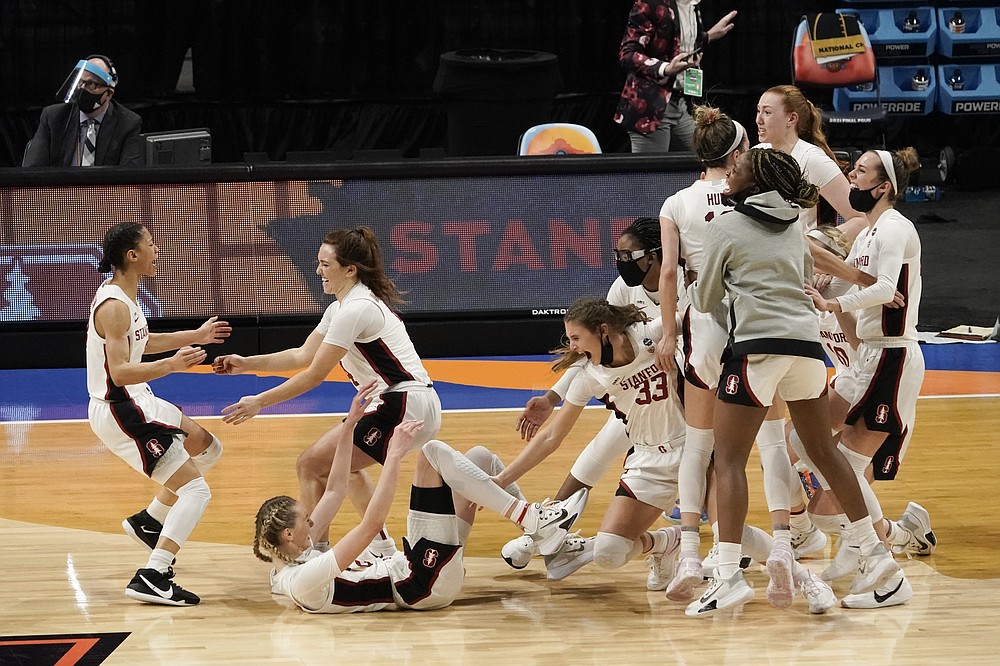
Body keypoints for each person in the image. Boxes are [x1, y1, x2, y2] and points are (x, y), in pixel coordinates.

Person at [684, 147, 900, 617]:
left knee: (728, 461)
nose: (729, 170)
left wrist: (709, 281)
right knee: (823, 452)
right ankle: (880, 560)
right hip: (806, 350)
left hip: (757, 350)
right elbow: (806, 283)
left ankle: (726, 576)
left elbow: (704, 300)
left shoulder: (725, 224)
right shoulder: (795, 227)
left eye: (737, 167)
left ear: (754, 181)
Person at [254, 384, 585, 614]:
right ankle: (532, 518)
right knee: (431, 452)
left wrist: (350, 424)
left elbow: (337, 487)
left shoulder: (296, 551)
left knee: (480, 459)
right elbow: (370, 525)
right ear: (287, 534)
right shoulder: (302, 581)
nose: (312, 520)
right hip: (419, 585)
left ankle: (540, 535)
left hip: (417, 568)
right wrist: (395, 455)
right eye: (305, 519)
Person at [214, 226, 441, 559]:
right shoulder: (341, 308)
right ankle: (382, 549)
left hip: (403, 402)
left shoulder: (356, 308)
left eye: (325, 264)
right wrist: (246, 363)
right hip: (406, 402)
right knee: (341, 467)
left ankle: (310, 552)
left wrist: (259, 401)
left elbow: (313, 376)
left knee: (310, 465)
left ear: (350, 269)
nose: (318, 271)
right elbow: (301, 355)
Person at [505, 217, 676, 586]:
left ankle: (795, 530)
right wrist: (553, 397)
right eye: (617, 254)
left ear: (655, 256)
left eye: (628, 254)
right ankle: (549, 526)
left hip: (687, 403)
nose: (620, 261)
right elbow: (590, 352)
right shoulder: (622, 291)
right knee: (597, 452)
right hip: (641, 413)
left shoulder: (677, 294)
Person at [805, 147, 928, 609]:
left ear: (883, 187)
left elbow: (884, 289)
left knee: (842, 477)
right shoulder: (867, 234)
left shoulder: (896, 227)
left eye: (858, 171)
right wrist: (820, 284)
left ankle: (879, 566)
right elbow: (853, 280)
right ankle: (866, 548)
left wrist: (833, 303)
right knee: (806, 443)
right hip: (866, 362)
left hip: (891, 359)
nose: (849, 177)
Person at [496, 298, 690, 589]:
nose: (573, 347)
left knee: (732, 532)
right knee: (609, 553)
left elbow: (698, 312)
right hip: (648, 458)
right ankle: (665, 543)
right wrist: (502, 479)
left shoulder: (654, 333)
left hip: (695, 447)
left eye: (576, 338)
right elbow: (551, 437)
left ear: (602, 330)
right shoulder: (591, 375)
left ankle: (766, 550)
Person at [86, 221, 231, 606]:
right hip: (122, 409)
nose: (157, 250)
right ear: (132, 256)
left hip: (137, 398)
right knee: (196, 491)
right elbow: (119, 371)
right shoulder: (115, 306)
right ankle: (155, 573)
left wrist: (194, 336)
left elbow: (142, 342)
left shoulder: (125, 295)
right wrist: (174, 364)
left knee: (208, 448)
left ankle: (150, 521)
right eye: (151, 244)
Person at [614, 1, 737, 153]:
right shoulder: (650, 3)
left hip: (679, 103)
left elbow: (676, 41)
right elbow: (628, 54)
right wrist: (666, 68)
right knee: (652, 173)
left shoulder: (692, 4)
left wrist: (708, 36)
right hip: (651, 107)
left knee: (704, 158)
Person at [23, 55, 142, 167]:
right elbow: (33, 170)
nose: (82, 88)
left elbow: (128, 174)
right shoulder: (54, 117)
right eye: (80, 82)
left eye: (91, 84)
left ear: (108, 93)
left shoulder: (128, 123)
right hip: (62, 188)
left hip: (103, 189)